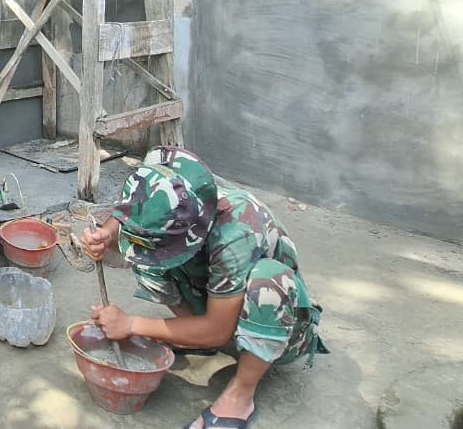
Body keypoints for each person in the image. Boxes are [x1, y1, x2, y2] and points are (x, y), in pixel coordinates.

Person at [81, 147, 328, 429]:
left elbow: (218, 330)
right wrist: (106, 234)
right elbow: (128, 213)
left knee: (268, 283)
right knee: (147, 253)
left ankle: (240, 396)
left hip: (279, 329)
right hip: (217, 298)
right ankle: (193, 334)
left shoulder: (236, 233)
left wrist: (131, 324)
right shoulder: (172, 183)